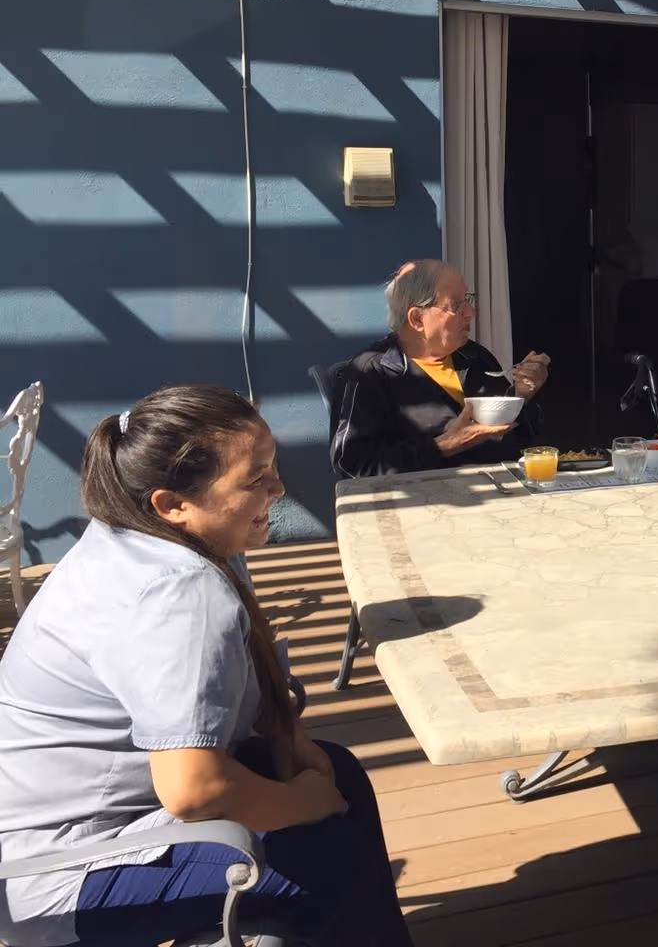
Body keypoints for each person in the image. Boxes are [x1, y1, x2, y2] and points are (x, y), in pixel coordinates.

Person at [0, 385, 412, 947]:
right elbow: (193, 789)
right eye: (255, 478)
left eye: (272, 466)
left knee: (339, 773)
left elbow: (245, 676)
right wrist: (303, 803)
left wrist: (290, 739)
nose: (279, 488)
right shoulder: (179, 592)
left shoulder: (157, 534)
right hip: (59, 871)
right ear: (172, 504)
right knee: (328, 852)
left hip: (110, 812)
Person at [332, 259, 550, 476]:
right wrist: (446, 444)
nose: (470, 312)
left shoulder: (473, 356)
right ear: (417, 319)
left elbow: (515, 438)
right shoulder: (371, 372)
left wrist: (521, 395)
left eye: (468, 300)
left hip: (504, 486)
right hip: (429, 496)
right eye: (456, 305)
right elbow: (352, 465)